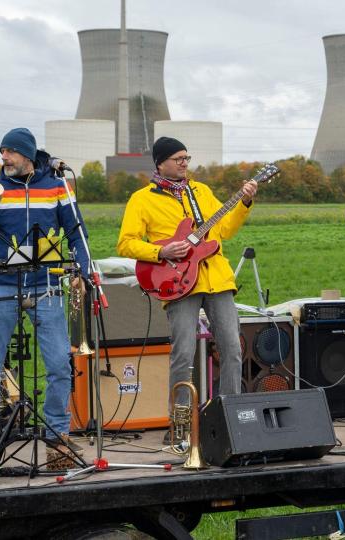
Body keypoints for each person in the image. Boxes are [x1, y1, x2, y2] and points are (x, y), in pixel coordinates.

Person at [0, 127, 90, 455]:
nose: (4, 157)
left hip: (46, 288)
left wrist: (85, 273)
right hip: (2, 286)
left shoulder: (57, 186)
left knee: (60, 363)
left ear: (27, 155)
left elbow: (77, 233)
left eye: (10, 152)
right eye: (2, 151)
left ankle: (57, 435)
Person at [117, 137, 257, 420]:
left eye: (186, 158)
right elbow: (126, 243)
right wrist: (161, 251)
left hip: (217, 280)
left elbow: (226, 230)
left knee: (232, 349)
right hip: (177, 283)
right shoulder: (141, 199)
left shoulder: (201, 191)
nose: (184, 163)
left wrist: (244, 202)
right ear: (160, 163)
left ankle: (228, 416)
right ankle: (180, 422)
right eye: (178, 158)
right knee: (183, 355)